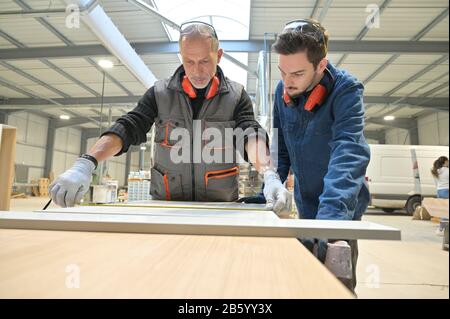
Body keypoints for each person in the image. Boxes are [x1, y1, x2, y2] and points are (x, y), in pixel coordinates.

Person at [49, 21, 291, 216]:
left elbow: (250, 134)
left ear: (219, 55)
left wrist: (269, 175)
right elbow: (129, 126)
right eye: (189, 62)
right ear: (181, 56)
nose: (197, 71)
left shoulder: (236, 96)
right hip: (166, 208)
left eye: (205, 61)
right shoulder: (159, 93)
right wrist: (86, 163)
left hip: (220, 210)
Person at [242, 19, 371, 292]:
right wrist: (271, 182)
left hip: (341, 202)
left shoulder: (346, 91)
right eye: (282, 73)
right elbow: (282, 148)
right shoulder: (282, 92)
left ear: (321, 66)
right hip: (306, 199)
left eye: (297, 74)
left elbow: (349, 155)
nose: (287, 82)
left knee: (335, 278)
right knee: (304, 280)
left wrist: (331, 224)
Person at [431, 156, 449, 235]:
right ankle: (443, 229)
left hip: (439, 191)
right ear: (445, 162)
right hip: (447, 191)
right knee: (447, 210)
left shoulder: (436, 171)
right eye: (448, 161)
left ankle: (441, 229)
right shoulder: (447, 171)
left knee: (443, 210)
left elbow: (436, 183)